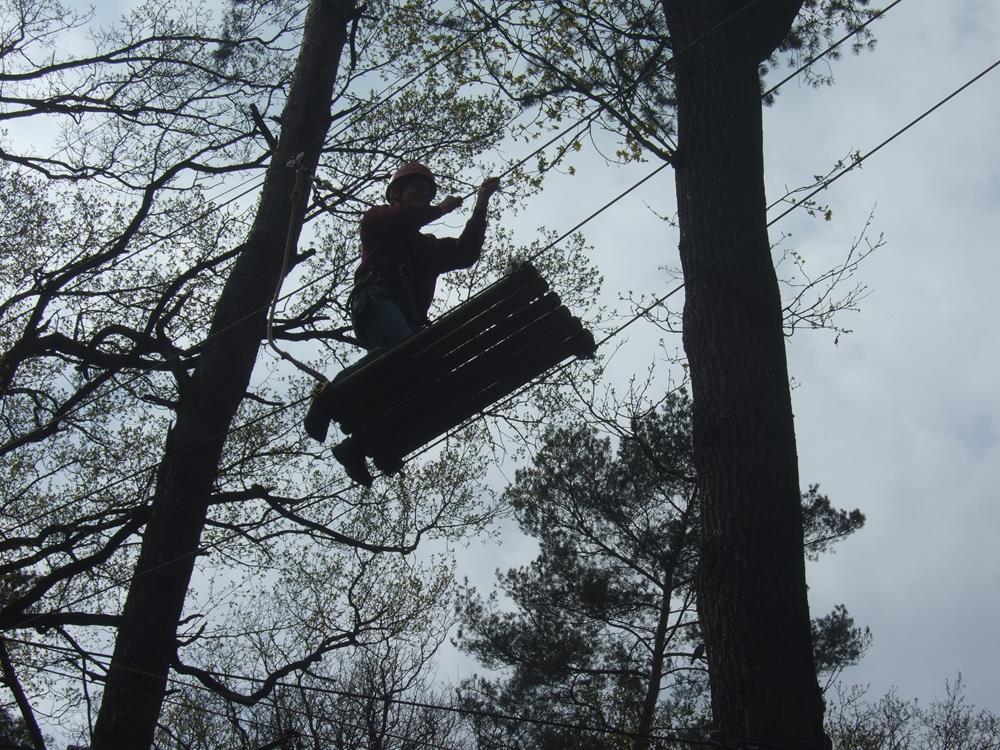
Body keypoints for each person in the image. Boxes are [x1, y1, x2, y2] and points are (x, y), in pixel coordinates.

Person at [350, 161, 501, 351]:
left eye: (428, 192)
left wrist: (481, 204)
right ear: (396, 192)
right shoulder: (375, 219)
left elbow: (465, 253)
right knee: (407, 353)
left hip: (410, 320)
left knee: (416, 361)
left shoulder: (426, 247)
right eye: (418, 187)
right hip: (377, 299)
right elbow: (404, 216)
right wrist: (441, 209)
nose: (424, 194)